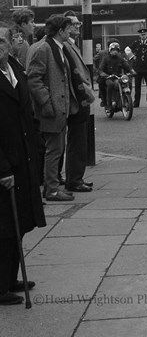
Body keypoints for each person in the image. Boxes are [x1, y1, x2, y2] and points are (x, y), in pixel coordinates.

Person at [0, 23, 46, 306]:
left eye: (1, 42)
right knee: (4, 226)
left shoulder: (14, 70)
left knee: (19, 223)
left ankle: (10, 277)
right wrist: (2, 168)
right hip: (5, 164)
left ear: (9, 43)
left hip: (23, 157)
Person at [26, 14, 77, 203]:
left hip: (60, 109)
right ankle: (52, 190)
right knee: (53, 151)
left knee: (56, 149)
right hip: (52, 109)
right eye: (68, 28)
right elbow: (33, 79)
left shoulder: (57, 47)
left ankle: (51, 187)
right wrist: (47, 103)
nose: (70, 31)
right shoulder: (44, 49)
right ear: (61, 31)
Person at [60, 11, 95, 193]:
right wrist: (87, 93)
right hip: (77, 100)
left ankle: (76, 177)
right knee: (77, 141)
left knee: (79, 141)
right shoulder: (66, 45)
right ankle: (74, 180)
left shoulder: (73, 45)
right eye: (73, 24)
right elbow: (75, 75)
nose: (77, 27)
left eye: (78, 24)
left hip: (80, 99)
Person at [97, 43, 137, 113]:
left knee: (128, 82)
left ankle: (125, 100)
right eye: (113, 50)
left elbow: (127, 66)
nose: (115, 51)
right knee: (110, 85)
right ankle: (108, 104)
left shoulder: (120, 58)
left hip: (118, 77)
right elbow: (100, 69)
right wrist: (103, 74)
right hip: (108, 77)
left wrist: (132, 71)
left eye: (116, 50)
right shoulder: (106, 59)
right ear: (110, 50)